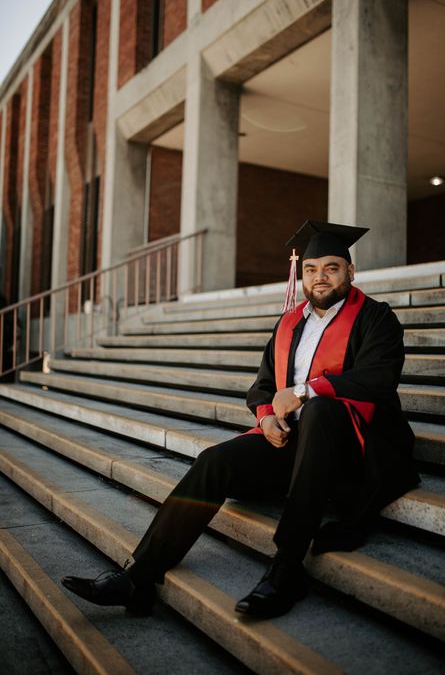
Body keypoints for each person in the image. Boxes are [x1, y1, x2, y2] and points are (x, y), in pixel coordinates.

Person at [62, 220, 420, 619]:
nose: (320, 278)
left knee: (320, 409)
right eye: (312, 269)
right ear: (302, 274)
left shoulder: (376, 318)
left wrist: (304, 391)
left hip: (354, 452)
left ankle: (287, 567)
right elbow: (263, 386)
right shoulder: (289, 323)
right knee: (214, 461)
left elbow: (379, 378)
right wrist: (266, 418)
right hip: (296, 446)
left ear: (350, 273)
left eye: (332, 268)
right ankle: (139, 577)